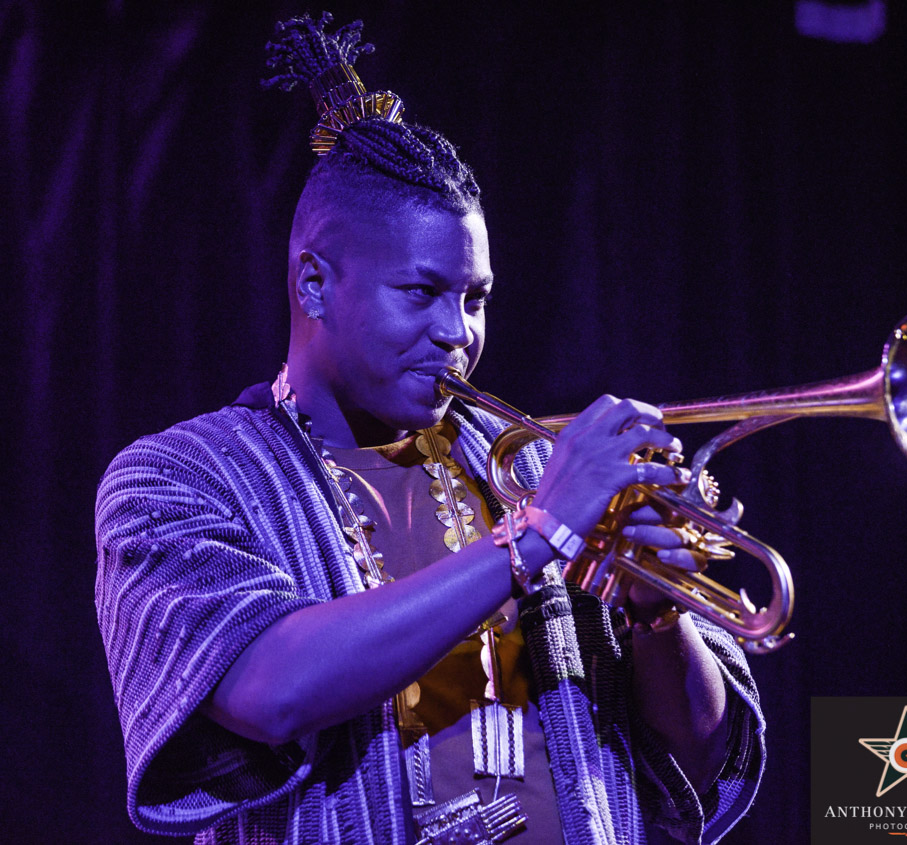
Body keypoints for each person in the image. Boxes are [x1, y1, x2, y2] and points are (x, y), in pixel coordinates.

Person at [95, 13, 763, 845]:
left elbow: (695, 768)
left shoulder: (526, 468)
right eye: (421, 292)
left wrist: (658, 616)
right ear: (314, 284)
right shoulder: (177, 478)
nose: (459, 332)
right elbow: (270, 690)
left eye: (475, 297)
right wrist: (537, 535)